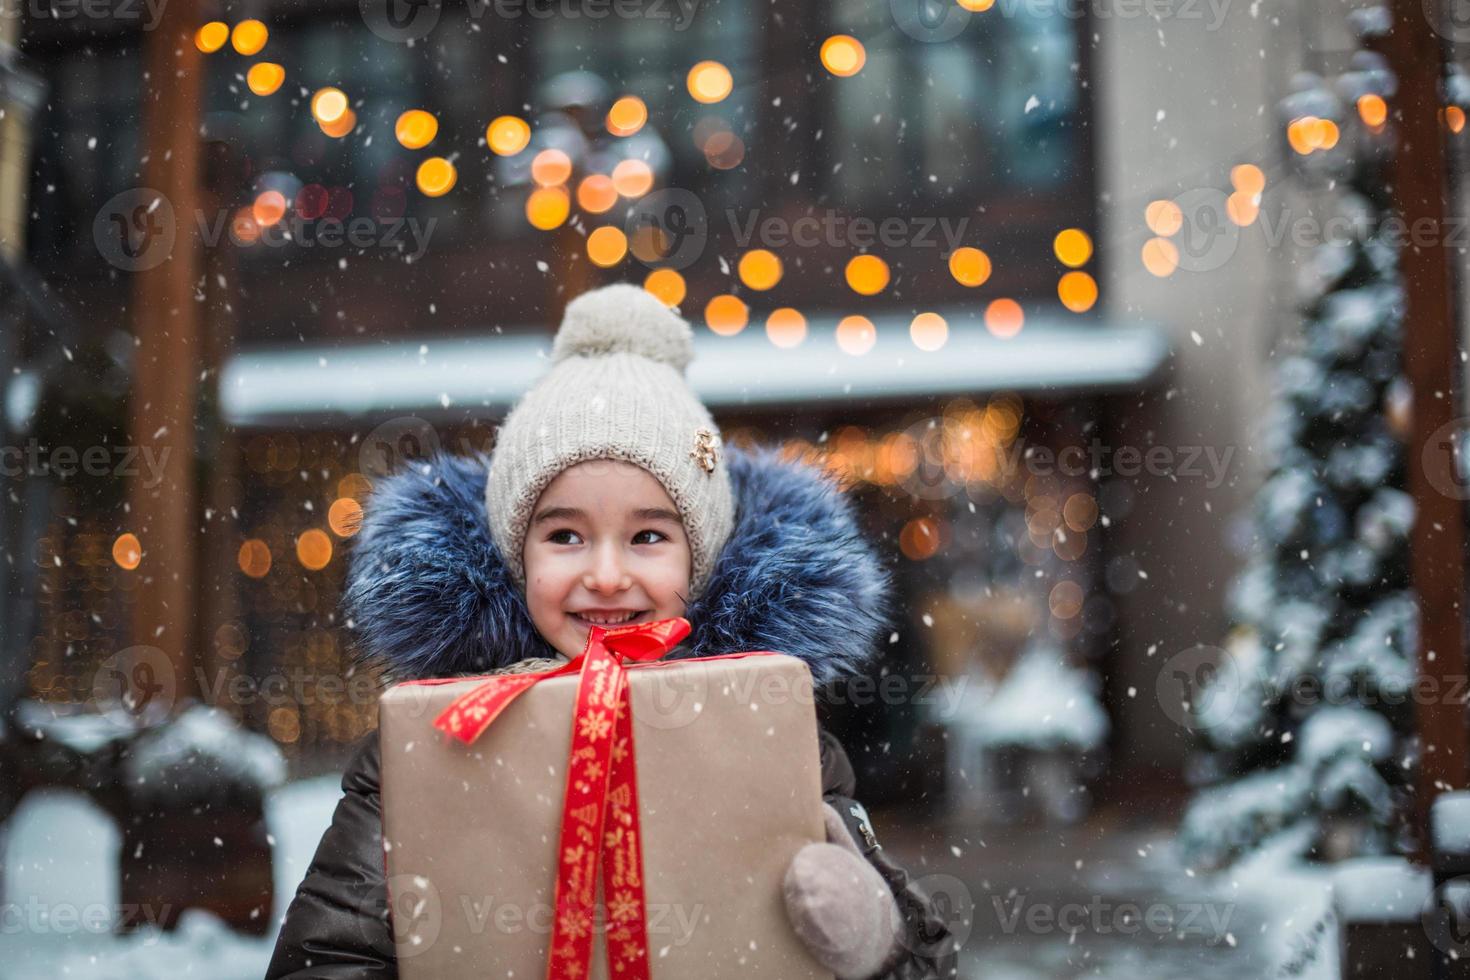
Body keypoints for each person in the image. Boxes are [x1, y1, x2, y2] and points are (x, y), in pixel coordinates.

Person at [266, 284, 959, 979]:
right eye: (565, 534)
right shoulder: (431, 741)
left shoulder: (771, 730)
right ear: (517, 554)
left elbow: (928, 963)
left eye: (648, 536)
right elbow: (325, 960)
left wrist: (879, 945)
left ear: (701, 554)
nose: (604, 574)